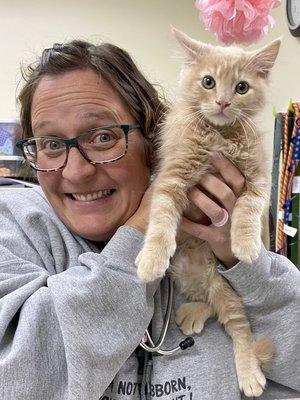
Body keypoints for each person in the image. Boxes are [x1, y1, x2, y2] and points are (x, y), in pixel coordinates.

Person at [0, 40, 299, 400]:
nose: (75, 172)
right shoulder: (15, 225)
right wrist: (146, 226)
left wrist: (238, 261)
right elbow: (16, 380)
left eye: (103, 137)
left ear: (152, 139)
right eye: (49, 144)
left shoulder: (220, 218)